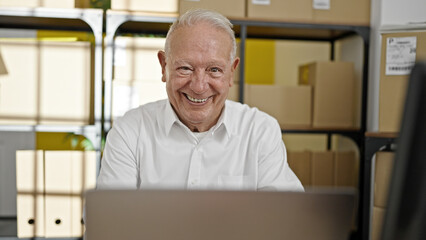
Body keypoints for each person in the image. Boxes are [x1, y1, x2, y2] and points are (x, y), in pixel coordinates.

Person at [96, 9, 303, 191]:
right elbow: (106, 224)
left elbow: (287, 219)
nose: (199, 86)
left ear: (231, 72)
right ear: (163, 66)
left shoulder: (259, 131)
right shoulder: (130, 131)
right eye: (185, 68)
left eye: (214, 70)